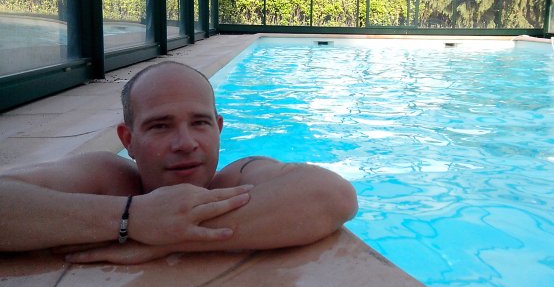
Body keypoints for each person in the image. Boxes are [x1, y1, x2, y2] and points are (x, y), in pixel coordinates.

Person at [0, 61, 357, 264]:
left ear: (218, 129)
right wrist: (132, 217)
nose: (185, 143)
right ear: (128, 140)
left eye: (200, 123)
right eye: (160, 126)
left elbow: (334, 196)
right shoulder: (108, 177)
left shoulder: (235, 178)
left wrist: (167, 238)